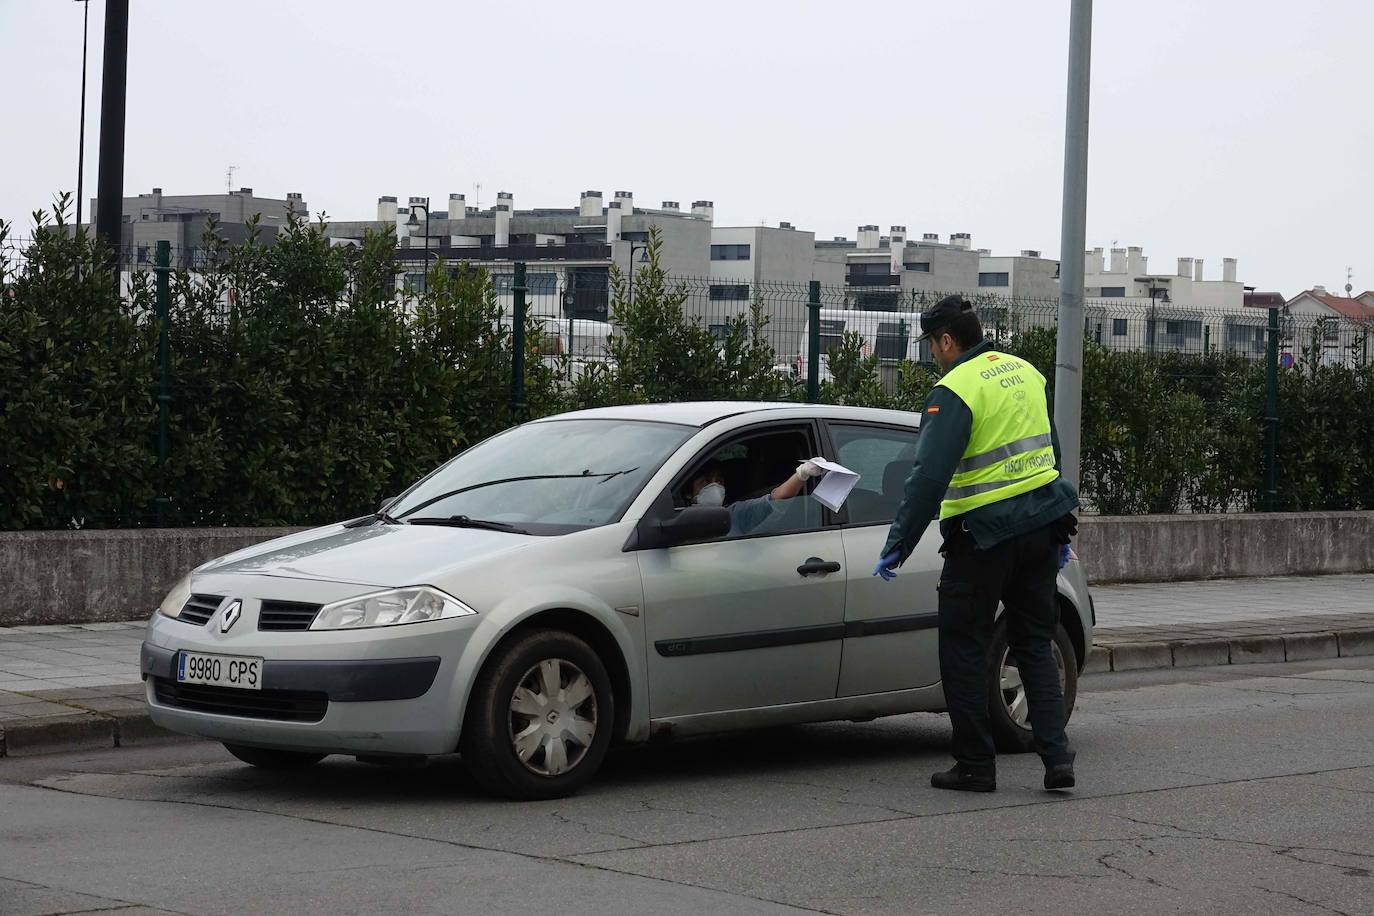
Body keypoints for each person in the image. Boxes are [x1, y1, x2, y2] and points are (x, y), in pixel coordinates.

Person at [872, 294, 1080, 794]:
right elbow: (1048, 449)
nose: (932, 356)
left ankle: (975, 766)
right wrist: (1057, 528)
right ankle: (1056, 759)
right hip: (1039, 529)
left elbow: (928, 478)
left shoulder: (956, 389)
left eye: (931, 346)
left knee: (963, 646)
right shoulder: (1025, 372)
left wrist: (898, 543)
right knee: (1034, 643)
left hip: (983, 540)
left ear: (947, 340)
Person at [687, 457, 828, 536]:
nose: (714, 487)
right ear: (688, 492)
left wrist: (802, 474)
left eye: (719, 481)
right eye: (706, 481)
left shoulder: (735, 514)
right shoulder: (672, 521)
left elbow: (778, 498)